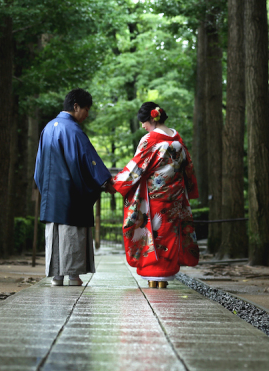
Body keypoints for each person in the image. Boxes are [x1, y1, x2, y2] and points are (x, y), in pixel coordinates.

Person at [110, 102, 200, 288]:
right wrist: (190, 190)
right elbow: (188, 168)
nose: (143, 125)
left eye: (144, 121)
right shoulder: (178, 140)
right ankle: (164, 279)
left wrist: (116, 184)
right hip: (174, 198)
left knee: (152, 234)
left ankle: (153, 278)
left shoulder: (149, 140)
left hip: (153, 198)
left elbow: (136, 167)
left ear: (152, 118)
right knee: (169, 235)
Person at [33, 89, 111, 286]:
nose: (87, 114)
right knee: (71, 234)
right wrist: (105, 182)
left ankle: (56, 277)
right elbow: (88, 161)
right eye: (86, 109)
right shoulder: (73, 131)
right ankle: (73, 276)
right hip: (71, 196)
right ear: (75, 106)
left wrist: (46, 191)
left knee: (55, 235)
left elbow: (38, 168)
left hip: (51, 196)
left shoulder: (48, 128)